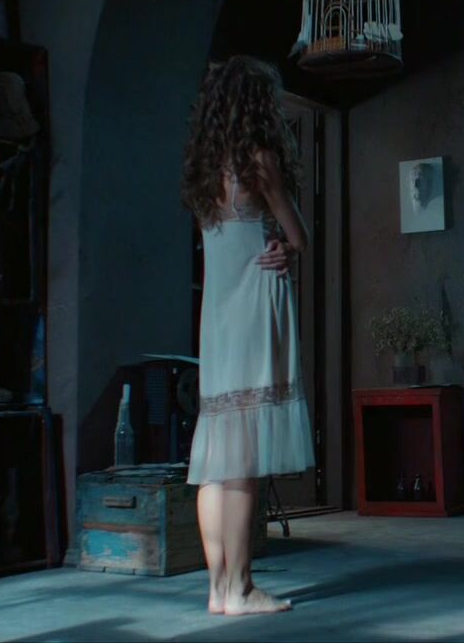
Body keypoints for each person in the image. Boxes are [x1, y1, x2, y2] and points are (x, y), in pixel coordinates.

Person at [180, 55, 312, 615]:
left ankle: (218, 589)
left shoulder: (205, 170)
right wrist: (287, 246)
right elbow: (298, 235)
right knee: (244, 458)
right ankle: (240, 588)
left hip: (217, 320)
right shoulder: (259, 162)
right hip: (254, 313)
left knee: (218, 458)